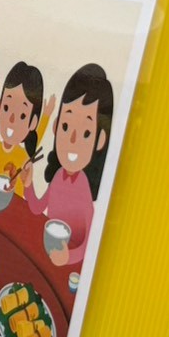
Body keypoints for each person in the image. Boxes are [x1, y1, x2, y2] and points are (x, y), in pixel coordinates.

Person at [25, 64, 113, 267]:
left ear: (100, 139)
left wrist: (69, 256)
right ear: (56, 127)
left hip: (72, 269)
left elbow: (88, 243)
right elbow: (37, 208)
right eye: (66, 126)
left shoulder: (83, 189)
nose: (72, 139)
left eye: (86, 133)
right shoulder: (58, 176)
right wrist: (28, 184)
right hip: (46, 255)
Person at [0, 62, 54, 198]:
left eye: (22, 115)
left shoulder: (23, 156)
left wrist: (46, 116)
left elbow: (37, 136)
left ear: (33, 123)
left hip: (15, 203)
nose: (11, 119)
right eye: (6, 108)